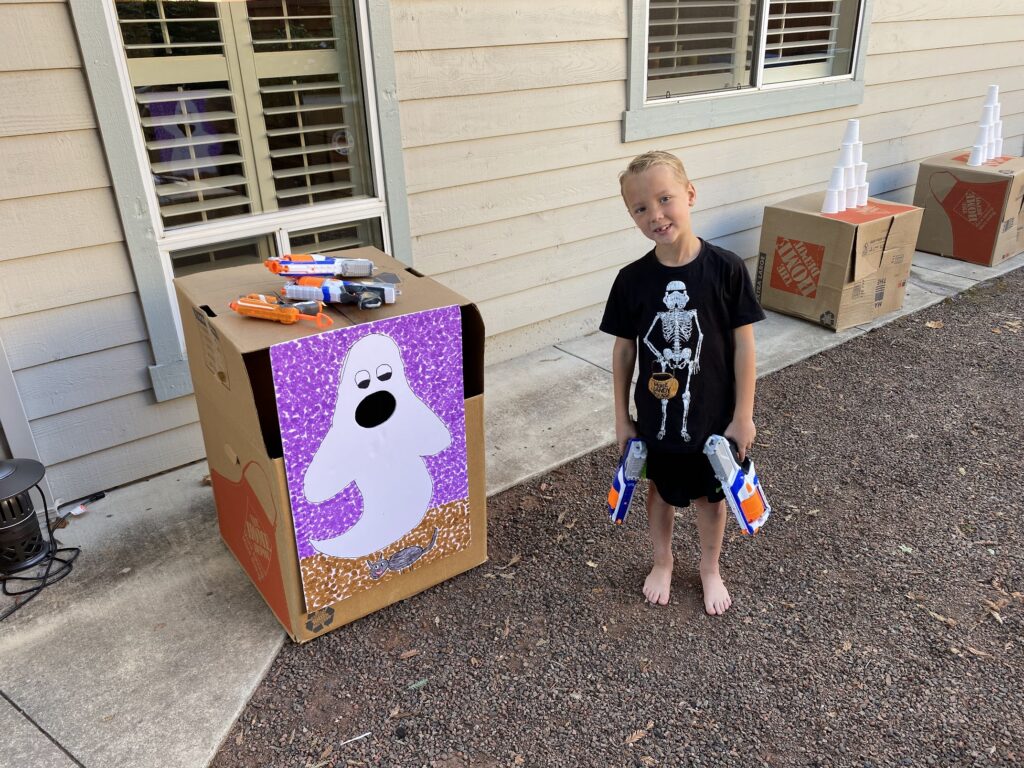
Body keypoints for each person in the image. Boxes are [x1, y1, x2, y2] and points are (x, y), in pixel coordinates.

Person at [600, 151, 765, 615]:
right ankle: (663, 560)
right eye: (640, 208)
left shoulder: (726, 269)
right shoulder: (631, 280)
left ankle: (710, 568)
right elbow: (625, 349)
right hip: (656, 415)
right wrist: (622, 418)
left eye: (664, 199)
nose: (655, 215)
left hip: (714, 415)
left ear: (690, 194)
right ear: (631, 215)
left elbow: (744, 346)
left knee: (713, 498)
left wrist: (744, 415)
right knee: (660, 490)